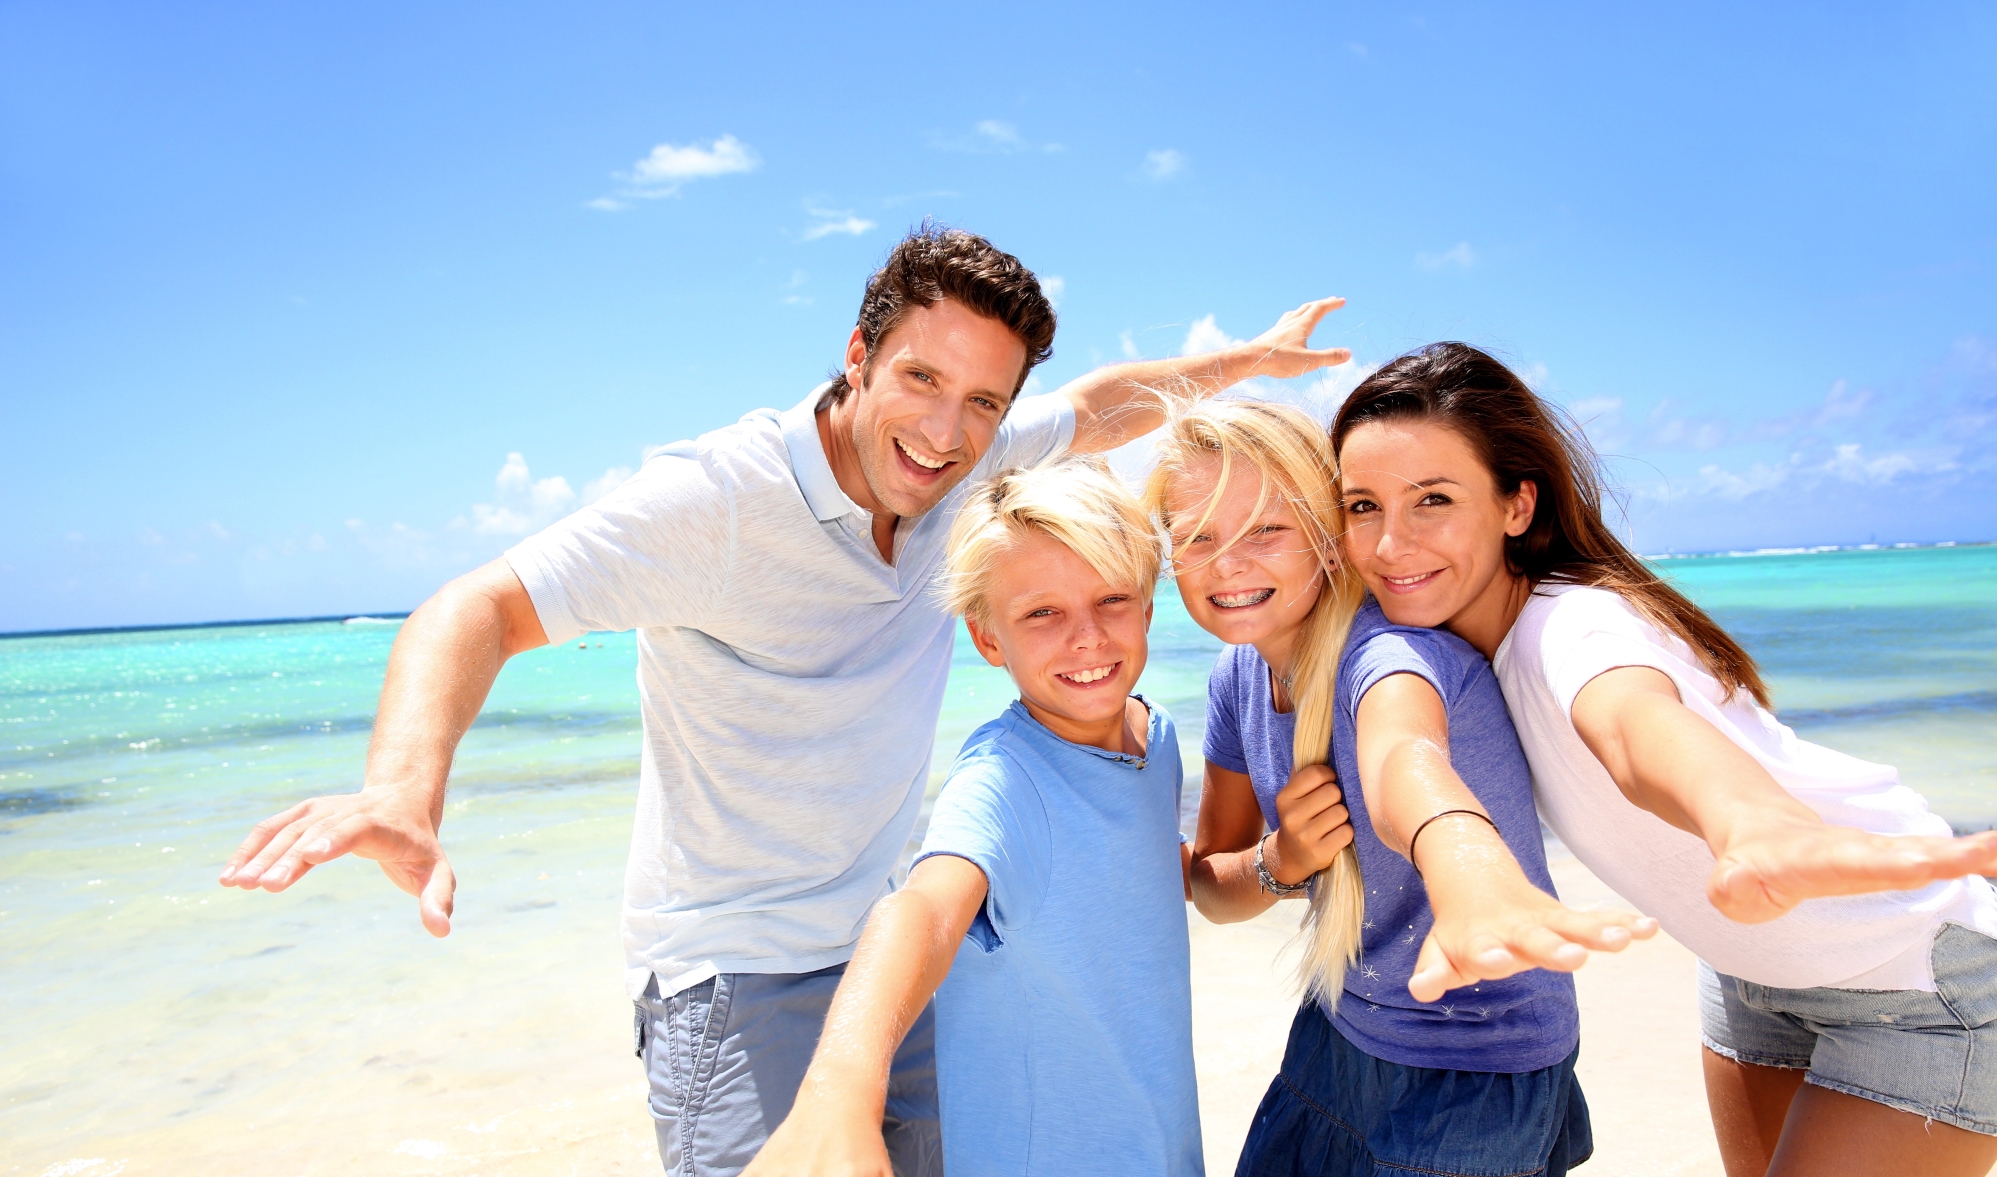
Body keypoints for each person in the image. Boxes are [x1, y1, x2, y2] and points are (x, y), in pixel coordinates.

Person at [215, 223, 1351, 1175]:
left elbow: (1106, 408)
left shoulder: (969, 465)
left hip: (885, 960)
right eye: (918, 378)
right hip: (730, 973)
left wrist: (1244, 364)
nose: (946, 431)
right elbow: (481, 605)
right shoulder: (712, 500)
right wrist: (403, 794)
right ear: (858, 353)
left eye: (981, 401)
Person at [1329, 342, 1997, 1177]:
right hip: (1748, 969)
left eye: (1432, 498)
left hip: (1914, 974)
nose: (1390, 542)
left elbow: (1633, 724)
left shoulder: (1573, 625)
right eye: (1362, 505)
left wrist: (1752, 820)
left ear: (1516, 504)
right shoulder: (1441, 645)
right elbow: (1403, 750)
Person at [1153, 399, 1652, 1177]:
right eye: (1196, 536)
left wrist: (1463, 854)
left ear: (1325, 539)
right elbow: (1210, 886)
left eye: (1265, 530)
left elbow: (1405, 756)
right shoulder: (1237, 677)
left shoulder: (1387, 655)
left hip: (1477, 1061)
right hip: (1338, 1030)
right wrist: (1281, 859)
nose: (1228, 562)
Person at [745, 456, 1199, 1177]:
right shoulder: (1003, 778)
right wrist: (839, 1090)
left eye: (1111, 598)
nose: (1085, 636)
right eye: (1041, 612)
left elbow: (1141, 881)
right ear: (988, 638)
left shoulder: (1158, 739)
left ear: (1147, 605)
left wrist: (1277, 863)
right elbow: (920, 911)